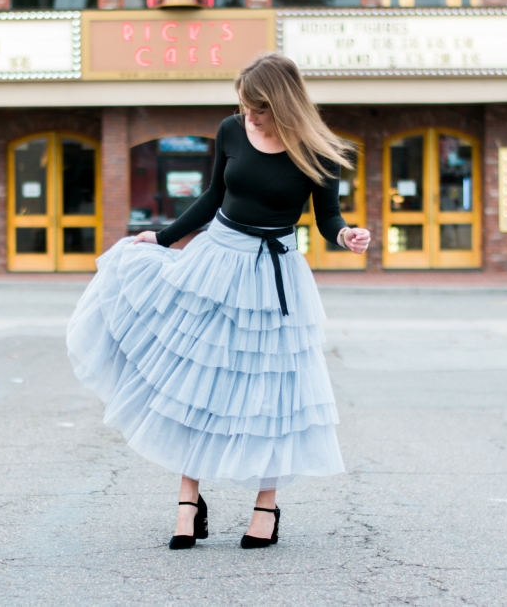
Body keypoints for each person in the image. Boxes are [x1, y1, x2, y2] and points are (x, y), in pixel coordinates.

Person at [66, 53, 371, 550]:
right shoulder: (231, 131)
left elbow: (327, 218)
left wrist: (346, 236)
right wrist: (162, 239)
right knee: (196, 381)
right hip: (215, 262)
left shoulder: (320, 151)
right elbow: (211, 198)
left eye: (257, 108)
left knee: (272, 393)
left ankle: (265, 506)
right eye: (244, 106)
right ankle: (189, 501)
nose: (247, 115)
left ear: (283, 104)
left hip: (274, 276)